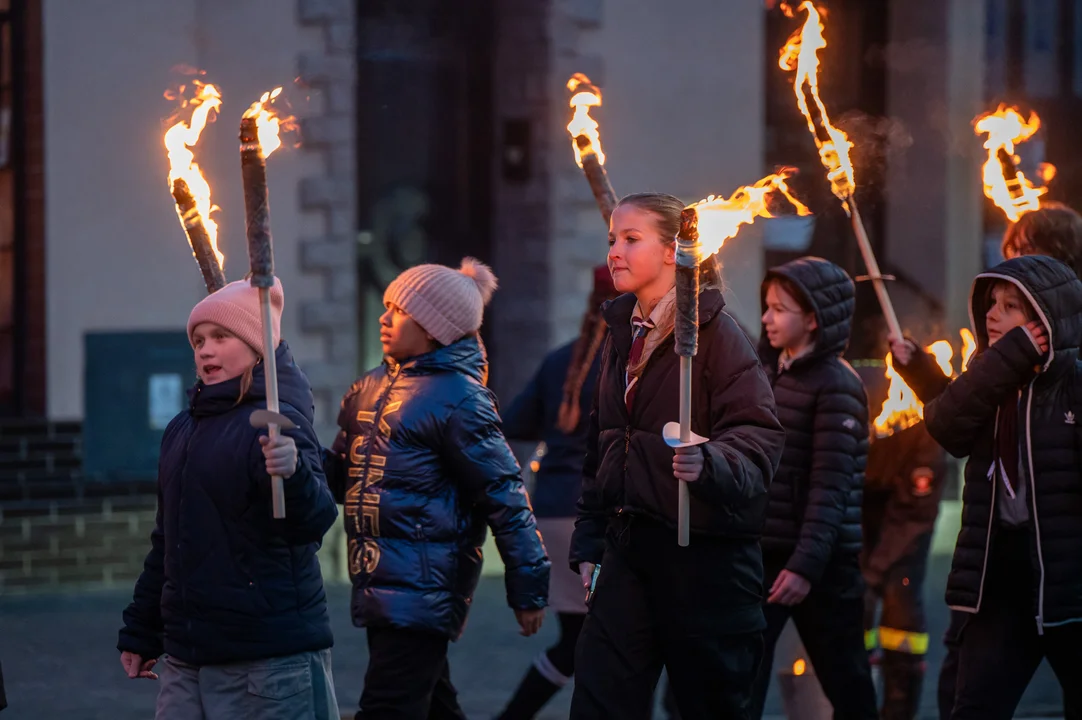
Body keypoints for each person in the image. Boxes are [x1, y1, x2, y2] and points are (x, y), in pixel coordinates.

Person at [568, 193, 785, 719]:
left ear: (674, 252)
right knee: (600, 703)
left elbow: (758, 441)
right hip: (629, 549)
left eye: (631, 239)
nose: (614, 252)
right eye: (612, 239)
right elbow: (603, 443)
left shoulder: (717, 335)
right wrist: (591, 538)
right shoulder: (621, 334)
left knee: (708, 707)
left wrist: (707, 461)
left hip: (704, 560)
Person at [324, 258, 550, 720]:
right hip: (379, 580)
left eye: (399, 311)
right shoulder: (367, 388)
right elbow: (333, 475)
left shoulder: (460, 399)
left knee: (388, 707)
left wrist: (528, 585)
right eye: (385, 307)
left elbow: (505, 496)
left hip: (426, 586)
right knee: (433, 706)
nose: (384, 318)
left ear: (434, 329)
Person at [889, 202, 1082, 719]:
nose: (991, 315)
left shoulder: (1072, 378)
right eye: (990, 302)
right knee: (972, 705)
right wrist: (931, 371)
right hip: (999, 577)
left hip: (1066, 578)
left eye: (1010, 305)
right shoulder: (993, 372)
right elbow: (951, 425)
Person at [117, 278, 341, 718]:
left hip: (264, 659)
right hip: (187, 655)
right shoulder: (183, 428)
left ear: (258, 348)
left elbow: (312, 522)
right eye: (199, 340)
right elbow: (169, 540)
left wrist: (291, 474)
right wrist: (144, 629)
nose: (205, 350)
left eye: (221, 337)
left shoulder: (276, 419)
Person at [748, 257, 878, 720]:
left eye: (779, 309)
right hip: (764, 554)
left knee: (846, 679)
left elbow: (832, 484)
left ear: (814, 318)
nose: (766, 318)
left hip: (822, 563)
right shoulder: (764, 372)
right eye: (767, 307)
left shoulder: (837, 384)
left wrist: (805, 565)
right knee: (743, 673)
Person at [496, 265, 619, 719]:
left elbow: (513, 421)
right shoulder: (630, 363)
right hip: (594, 518)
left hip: (551, 512)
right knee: (595, 642)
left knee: (583, 639)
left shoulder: (559, 361)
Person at [856, 359, 949, 720]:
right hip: (861, 532)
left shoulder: (921, 433)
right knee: (855, 616)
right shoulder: (860, 421)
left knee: (902, 615)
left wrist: (875, 571)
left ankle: (899, 707)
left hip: (905, 542)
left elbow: (912, 517)